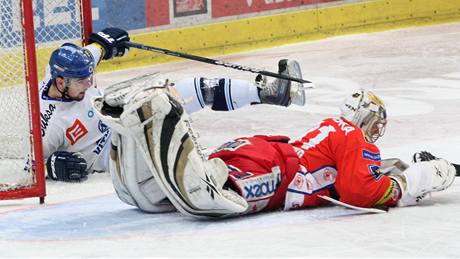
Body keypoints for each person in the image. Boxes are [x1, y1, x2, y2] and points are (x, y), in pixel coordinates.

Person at [93, 86, 456, 216]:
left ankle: (131, 141)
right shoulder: (352, 136)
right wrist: (409, 184)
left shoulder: (334, 131)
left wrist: (412, 169)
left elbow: (363, 175)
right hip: (278, 168)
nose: (374, 135)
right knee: (211, 196)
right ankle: (162, 112)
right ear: (363, 118)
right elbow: (359, 190)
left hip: (261, 151)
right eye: (375, 125)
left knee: (167, 196)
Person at [39, 27, 306, 183]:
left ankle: (268, 93)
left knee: (180, 91)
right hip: (121, 156)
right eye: (81, 82)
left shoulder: (76, 71)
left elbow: (95, 50)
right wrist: (50, 167)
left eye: (89, 77)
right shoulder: (48, 122)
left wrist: (105, 44)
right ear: (60, 82)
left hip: (120, 118)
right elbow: (28, 169)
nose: (88, 84)